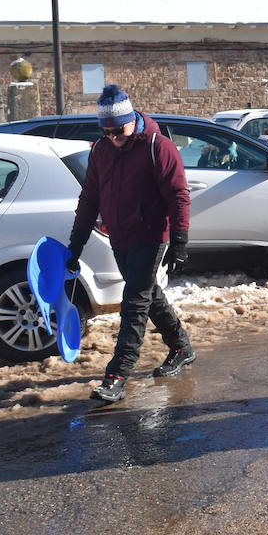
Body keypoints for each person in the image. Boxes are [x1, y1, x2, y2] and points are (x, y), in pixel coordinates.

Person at [67, 85, 194, 404]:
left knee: (134, 302)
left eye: (118, 130)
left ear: (132, 120)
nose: (113, 137)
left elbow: (178, 195)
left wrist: (179, 240)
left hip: (151, 236)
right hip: (119, 237)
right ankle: (181, 347)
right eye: (106, 131)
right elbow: (89, 198)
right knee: (149, 294)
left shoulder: (157, 146)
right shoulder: (101, 150)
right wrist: (76, 244)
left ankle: (116, 375)